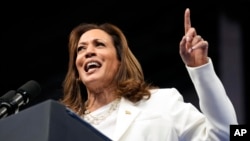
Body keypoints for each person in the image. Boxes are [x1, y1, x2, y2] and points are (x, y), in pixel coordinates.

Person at [60, 8, 238, 141]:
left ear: (120, 61)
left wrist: (201, 69)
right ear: (76, 71)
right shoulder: (64, 126)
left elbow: (227, 134)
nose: (88, 52)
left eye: (99, 44)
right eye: (81, 49)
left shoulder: (161, 103)